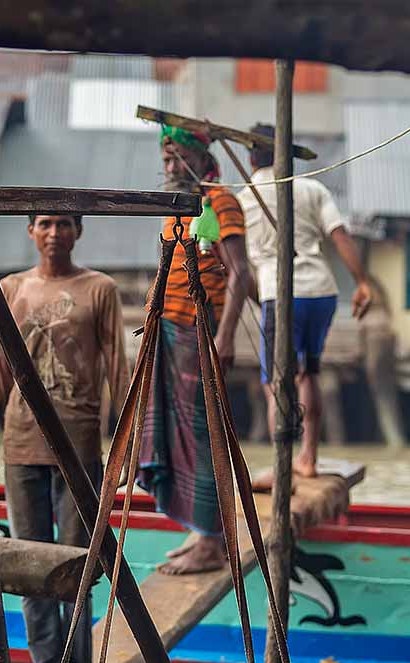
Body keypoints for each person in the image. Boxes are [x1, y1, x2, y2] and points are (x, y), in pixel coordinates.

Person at [0, 214, 126, 663]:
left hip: (80, 442)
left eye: (64, 224)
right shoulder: (11, 289)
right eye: (45, 223)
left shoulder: (99, 289)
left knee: (74, 564)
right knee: (29, 560)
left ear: (78, 231)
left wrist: (124, 440)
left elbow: (116, 366)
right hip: (22, 442)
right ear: (30, 231)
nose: (54, 233)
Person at [141, 124, 252, 575]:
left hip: (198, 331)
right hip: (168, 332)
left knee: (202, 434)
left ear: (202, 160)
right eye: (166, 160)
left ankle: (210, 540)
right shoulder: (177, 208)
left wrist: (224, 337)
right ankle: (202, 529)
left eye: (178, 158)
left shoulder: (219, 200)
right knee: (180, 436)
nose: (170, 167)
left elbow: (240, 272)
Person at [237, 123, 376, 475]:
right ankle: (309, 457)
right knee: (309, 373)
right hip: (321, 293)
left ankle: (282, 466)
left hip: (281, 297)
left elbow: (239, 268)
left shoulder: (243, 199)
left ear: (252, 157)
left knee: (275, 383)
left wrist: (258, 297)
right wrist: (362, 282)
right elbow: (340, 235)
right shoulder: (313, 189)